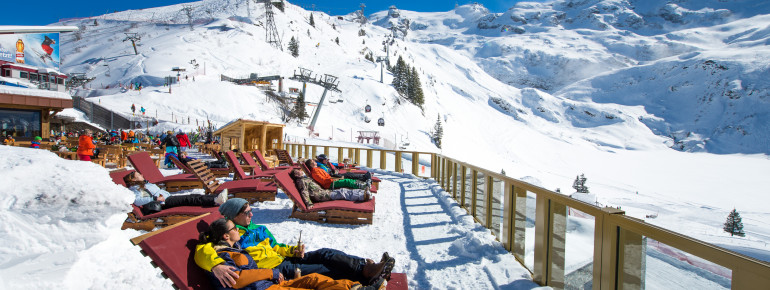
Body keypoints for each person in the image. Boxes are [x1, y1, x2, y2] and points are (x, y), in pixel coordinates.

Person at [196, 199, 395, 288]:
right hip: (274, 267)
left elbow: (274, 246)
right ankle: (360, 281)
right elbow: (203, 249)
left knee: (325, 253)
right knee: (320, 269)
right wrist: (215, 265)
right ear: (233, 216)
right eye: (247, 213)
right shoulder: (231, 235)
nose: (251, 214)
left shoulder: (258, 229)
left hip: (282, 257)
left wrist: (292, 249)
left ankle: (365, 268)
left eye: (251, 210)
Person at [124, 171, 227, 210]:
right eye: (139, 175)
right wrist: (155, 198)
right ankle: (215, 200)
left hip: (167, 198)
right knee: (189, 198)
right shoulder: (135, 188)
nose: (142, 175)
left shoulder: (144, 184)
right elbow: (137, 200)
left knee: (191, 196)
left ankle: (215, 199)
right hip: (163, 202)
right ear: (133, 179)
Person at [289, 169, 370, 209]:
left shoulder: (303, 179)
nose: (300, 170)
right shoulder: (301, 181)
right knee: (342, 192)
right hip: (321, 195)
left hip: (324, 192)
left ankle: (362, 192)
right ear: (296, 175)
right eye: (298, 171)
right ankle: (363, 195)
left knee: (342, 190)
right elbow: (304, 192)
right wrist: (309, 203)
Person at [306, 160, 371, 190]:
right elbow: (323, 181)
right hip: (329, 184)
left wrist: (333, 177)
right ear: (311, 164)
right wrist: (334, 179)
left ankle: (362, 183)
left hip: (331, 180)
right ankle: (364, 186)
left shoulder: (317, 169)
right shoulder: (314, 172)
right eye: (313, 162)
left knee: (347, 178)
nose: (315, 162)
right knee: (346, 181)